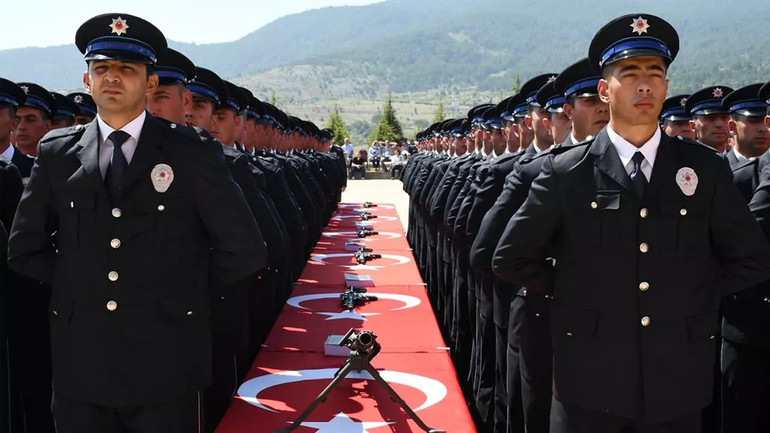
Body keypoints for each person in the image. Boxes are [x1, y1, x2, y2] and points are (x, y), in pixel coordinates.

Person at [492, 13, 770, 432]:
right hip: (589, 382)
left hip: (676, 381)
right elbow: (509, 257)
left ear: (666, 87)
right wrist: (577, 288)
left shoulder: (704, 169)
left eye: (655, 74)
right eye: (631, 73)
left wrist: (690, 292)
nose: (645, 85)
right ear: (605, 90)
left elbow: (752, 258)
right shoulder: (567, 173)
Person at [8, 13, 266, 433]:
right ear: (87, 80)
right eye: (101, 68)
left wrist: (175, 292)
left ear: (149, 83)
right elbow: (24, 249)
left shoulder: (191, 152)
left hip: (166, 360)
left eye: (127, 69)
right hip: (82, 362)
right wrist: (80, 285)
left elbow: (244, 250)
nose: (112, 77)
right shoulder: (56, 153)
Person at [685, 85, 734, 153]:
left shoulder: (741, 159)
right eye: (710, 118)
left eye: (724, 117)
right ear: (693, 126)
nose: (719, 124)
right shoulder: (682, 159)